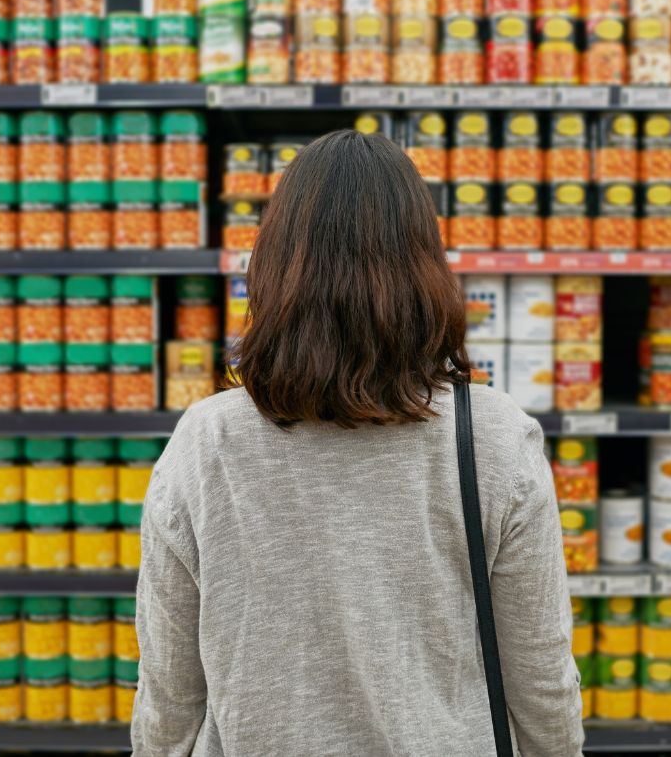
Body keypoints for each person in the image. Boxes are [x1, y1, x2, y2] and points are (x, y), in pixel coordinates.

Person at [132, 130, 583, 756]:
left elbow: (169, 695)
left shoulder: (208, 441)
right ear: (425, 267)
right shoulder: (494, 437)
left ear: (271, 266)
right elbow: (541, 680)